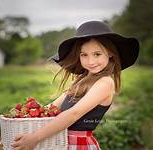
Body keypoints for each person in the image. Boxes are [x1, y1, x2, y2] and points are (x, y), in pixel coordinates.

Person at [11, 20, 139, 150]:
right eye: (84, 55)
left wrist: (35, 137)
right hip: (61, 141)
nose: (91, 61)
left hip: (79, 144)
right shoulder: (81, 80)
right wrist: (26, 117)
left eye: (97, 54)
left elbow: (74, 113)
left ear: (110, 53)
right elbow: (52, 108)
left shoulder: (105, 83)